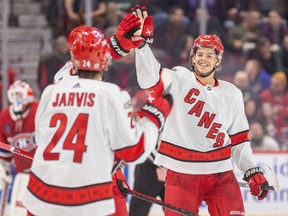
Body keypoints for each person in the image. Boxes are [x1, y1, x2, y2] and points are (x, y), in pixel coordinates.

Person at [116, 5, 269, 216]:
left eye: (209, 55)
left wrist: (251, 170)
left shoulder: (232, 93)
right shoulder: (179, 78)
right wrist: (141, 46)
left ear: (218, 60)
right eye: (199, 54)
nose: (203, 59)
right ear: (192, 56)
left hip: (221, 175)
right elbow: (149, 79)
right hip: (181, 174)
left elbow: (239, 141)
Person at [22, 20, 173, 216]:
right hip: (90, 196)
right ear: (105, 62)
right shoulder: (112, 94)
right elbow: (134, 150)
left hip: (40, 195)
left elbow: (42, 139)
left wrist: (117, 45)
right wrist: (155, 114)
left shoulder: (52, 91)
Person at [0, 80, 38, 214]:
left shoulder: (38, 110)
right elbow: (4, 149)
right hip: (21, 174)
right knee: (18, 210)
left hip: (40, 173)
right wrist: (5, 167)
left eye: (19, 95)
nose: (17, 99)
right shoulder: (5, 116)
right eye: (14, 95)